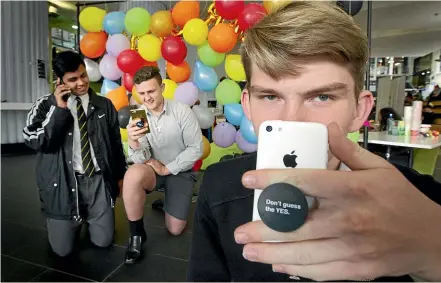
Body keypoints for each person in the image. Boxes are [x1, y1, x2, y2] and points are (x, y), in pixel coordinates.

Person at [188, 2, 441, 282]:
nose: (292, 120)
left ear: (360, 110)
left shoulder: (419, 200)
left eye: (322, 97)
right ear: (247, 106)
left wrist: (433, 254)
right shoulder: (219, 186)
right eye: (270, 97)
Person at [23, 51, 127, 257]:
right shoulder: (45, 105)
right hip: (63, 184)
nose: (81, 82)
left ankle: (90, 218)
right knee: (62, 251)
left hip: (97, 182)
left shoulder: (104, 105)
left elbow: (115, 144)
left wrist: (120, 176)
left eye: (83, 75)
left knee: (103, 242)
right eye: (73, 79)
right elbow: (33, 140)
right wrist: (59, 110)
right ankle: (67, 222)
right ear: (59, 81)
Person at [122, 66, 203, 264]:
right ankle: (136, 235)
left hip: (179, 172)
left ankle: (166, 202)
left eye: (151, 91)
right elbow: (141, 158)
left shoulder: (182, 111)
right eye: (141, 93)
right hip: (154, 169)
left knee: (175, 229)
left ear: (162, 87)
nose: (147, 98)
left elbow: (196, 149)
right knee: (132, 174)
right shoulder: (139, 115)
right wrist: (133, 143)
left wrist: (168, 168)